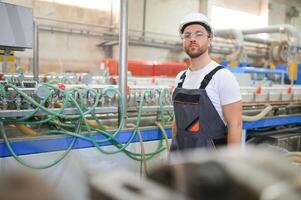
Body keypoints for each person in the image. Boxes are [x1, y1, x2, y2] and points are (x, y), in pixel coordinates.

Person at [171, 12, 242, 151]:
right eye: (187, 35)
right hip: (181, 159)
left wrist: (231, 167)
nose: (192, 38)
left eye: (199, 34)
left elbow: (236, 124)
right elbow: (176, 123)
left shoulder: (223, 76)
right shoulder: (180, 78)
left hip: (211, 163)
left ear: (209, 40)